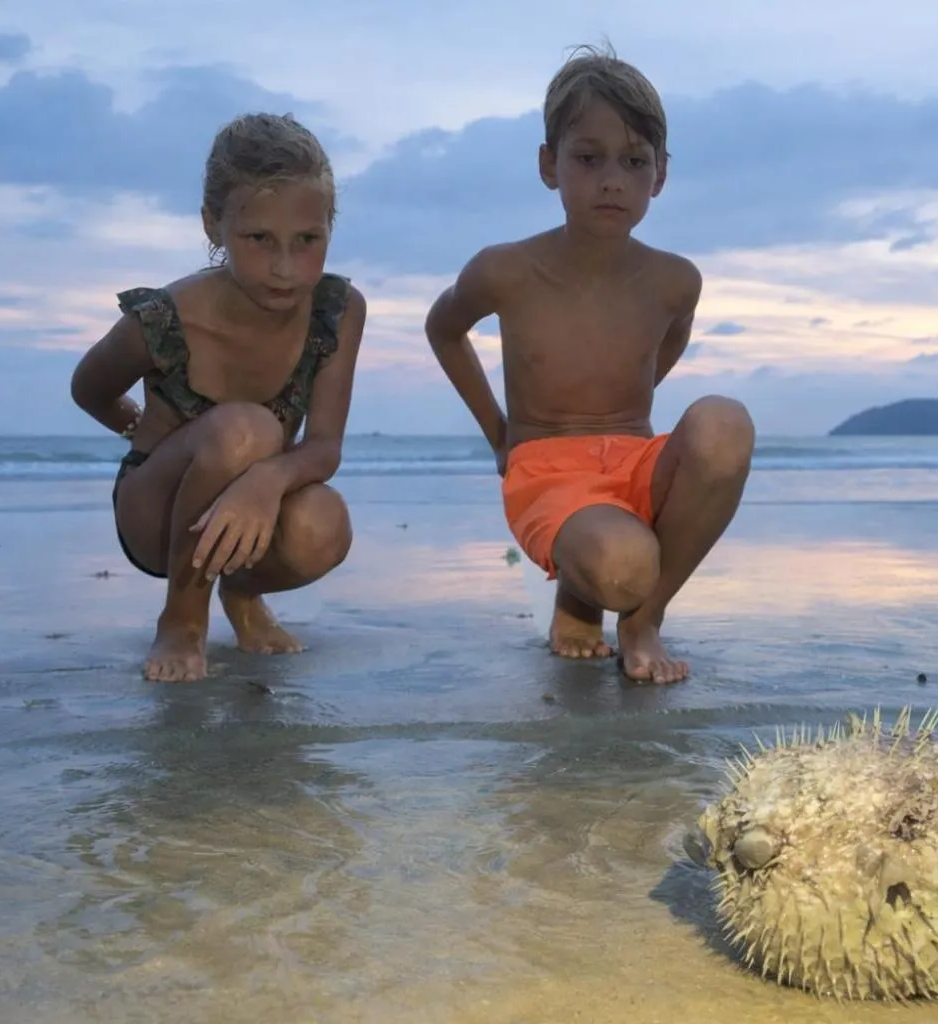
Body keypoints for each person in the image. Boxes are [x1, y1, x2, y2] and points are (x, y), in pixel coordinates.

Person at [424, 45, 755, 684]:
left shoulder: (674, 281)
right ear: (550, 165)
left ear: (659, 175)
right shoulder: (506, 270)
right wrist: (500, 432)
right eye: (588, 158)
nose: (612, 179)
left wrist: (624, 407)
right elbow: (444, 331)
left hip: (634, 460)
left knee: (725, 424)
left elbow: (666, 345)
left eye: (634, 162)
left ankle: (643, 620)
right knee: (621, 563)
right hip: (546, 468)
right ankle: (583, 595)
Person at [70, 112, 367, 683]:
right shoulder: (166, 319)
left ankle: (242, 591)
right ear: (214, 226)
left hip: (255, 509)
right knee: (245, 432)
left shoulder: (337, 310)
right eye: (259, 240)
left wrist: (265, 480)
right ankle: (182, 616)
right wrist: (139, 428)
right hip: (155, 514)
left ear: (330, 225)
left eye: (308, 241)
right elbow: (89, 387)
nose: (285, 268)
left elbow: (325, 447)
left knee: (323, 523)